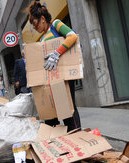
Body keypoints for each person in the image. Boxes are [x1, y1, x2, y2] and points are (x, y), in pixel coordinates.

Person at [28, 1, 81, 132]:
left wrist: (57, 53)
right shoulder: (42, 39)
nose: (34, 28)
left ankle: (77, 138)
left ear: (42, 19)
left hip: (63, 77)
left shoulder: (56, 25)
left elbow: (72, 36)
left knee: (67, 110)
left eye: (34, 23)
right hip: (52, 79)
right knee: (51, 115)